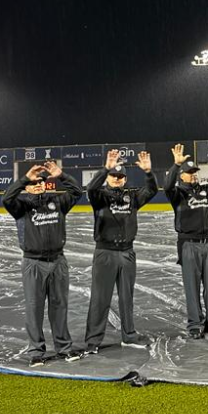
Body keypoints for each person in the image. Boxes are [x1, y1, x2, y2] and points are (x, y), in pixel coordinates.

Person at [2, 160, 84, 367]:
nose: (38, 184)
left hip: (58, 261)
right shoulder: (21, 206)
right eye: (34, 182)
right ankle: (36, 351)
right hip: (33, 263)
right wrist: (23, 180)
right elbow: (6, 198)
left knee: (59, 306)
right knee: (34, 308)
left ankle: (64, 348)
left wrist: (61, 175)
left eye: (42, 182)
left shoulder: (58, 203)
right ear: (27, 187)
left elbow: (76, 191)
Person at [83, 149, 159, 354]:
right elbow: (90, 188)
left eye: (120, 176)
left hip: (127, 253)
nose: (117, 179)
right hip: (105, 253)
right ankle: (93, 341)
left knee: (127, 297)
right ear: (108, 178)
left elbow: (151, 190)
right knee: (100, 298)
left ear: (125, 179)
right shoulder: (99, 197)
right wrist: (105, 168)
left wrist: (149, 173)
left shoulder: (132, 197)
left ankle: (129, 335)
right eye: (113, 176)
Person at [164, 143, 208, 338]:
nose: (193, 175)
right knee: (192, 287)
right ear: (182, 176)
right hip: (189, 245)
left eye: (195, 172)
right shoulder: (177, 194)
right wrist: (176, 165)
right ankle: (195, 324)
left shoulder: (207, 190)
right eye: (189, 172)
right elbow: (167, 185)